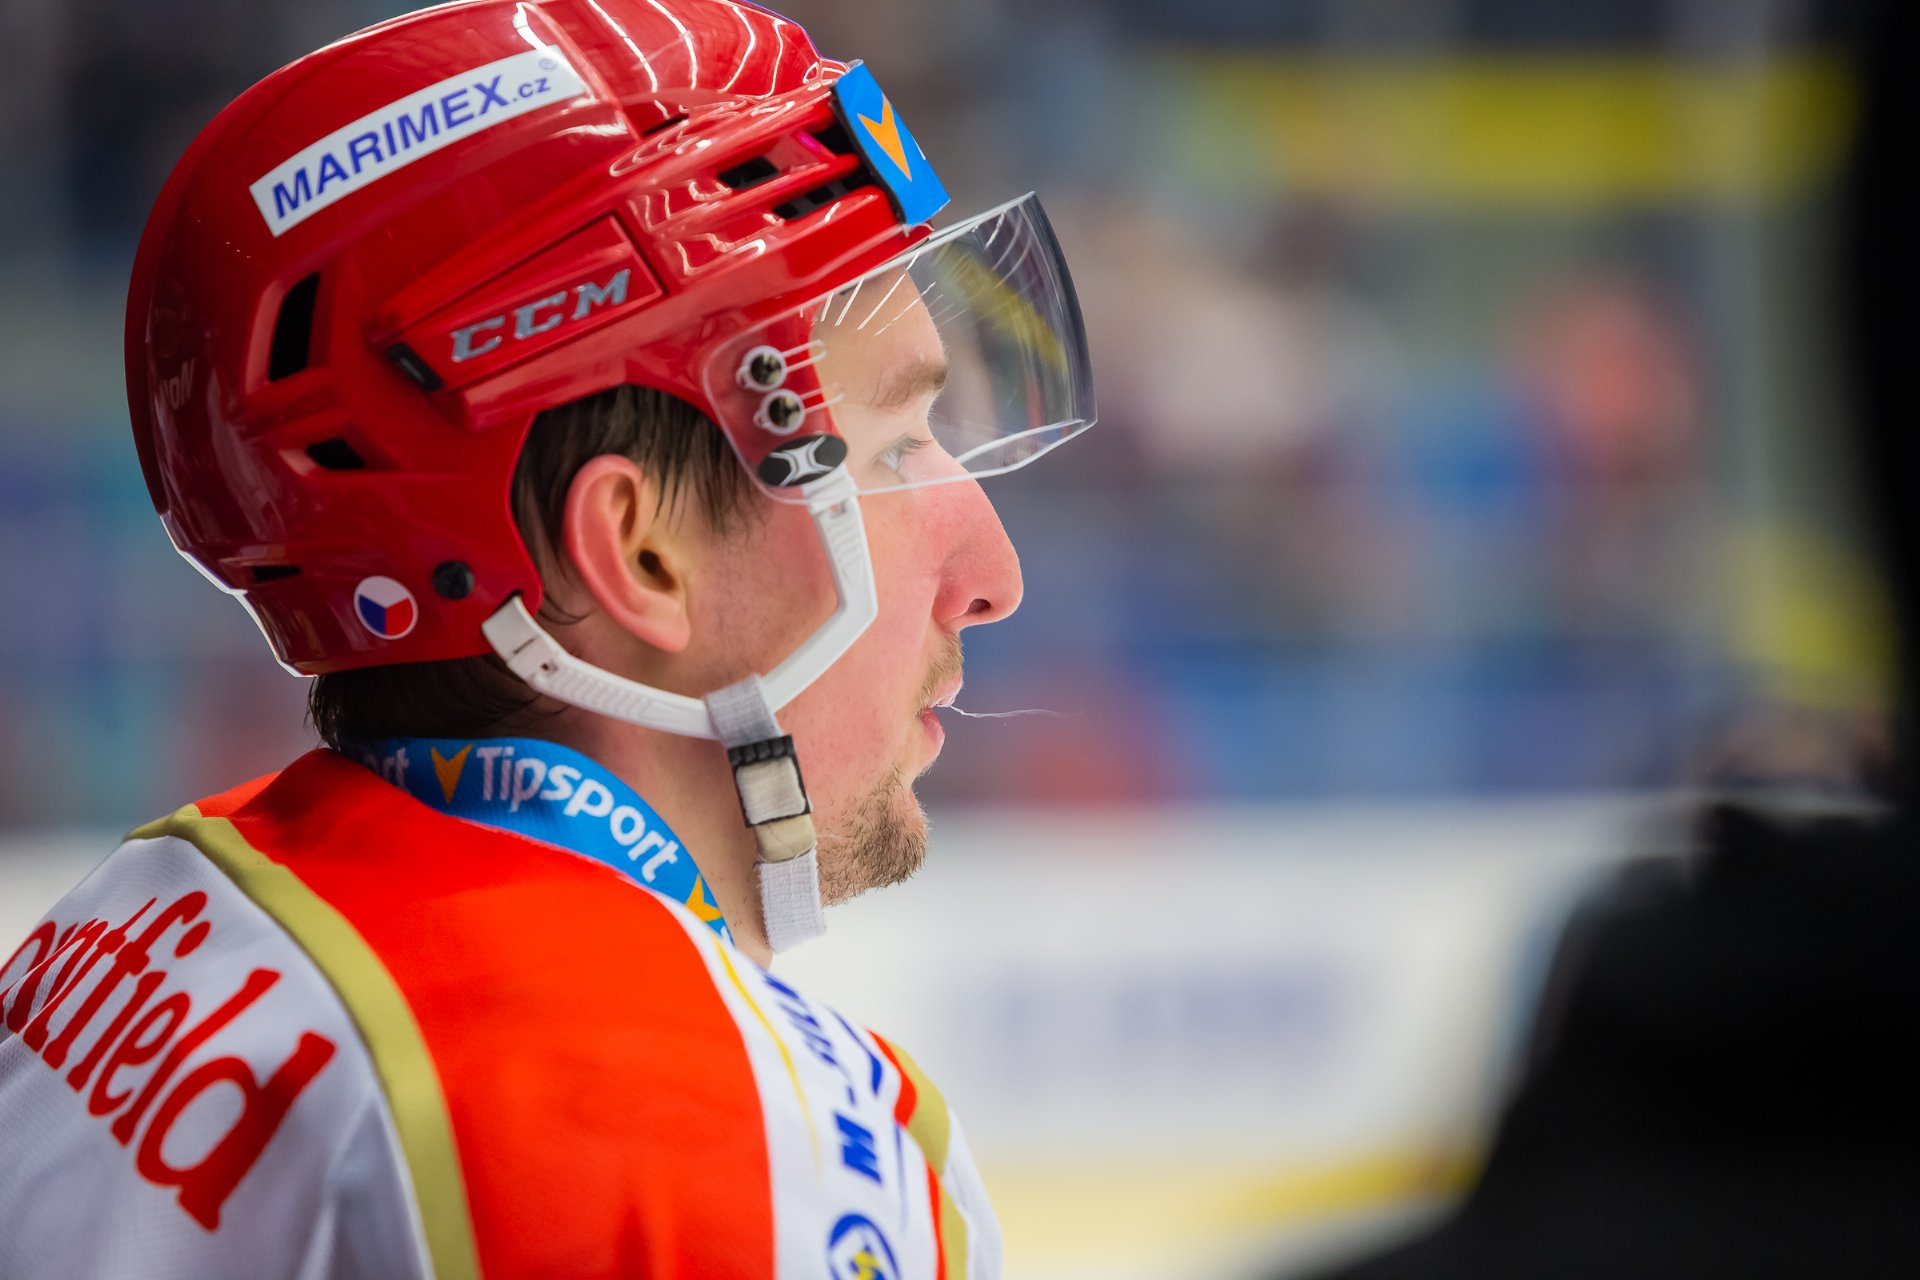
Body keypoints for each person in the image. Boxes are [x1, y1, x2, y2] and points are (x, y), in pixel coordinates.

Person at [0, 1, 1093, 1276]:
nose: (994, 578)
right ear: (640, 553)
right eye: (897, 449)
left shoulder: (137, 925)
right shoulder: (722, 1146)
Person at [1292, 5, 1918, 1278]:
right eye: (1611, 455)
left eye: (1648, 460)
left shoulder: (1706, 591)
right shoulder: (1467, 521)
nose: (1631, 485)